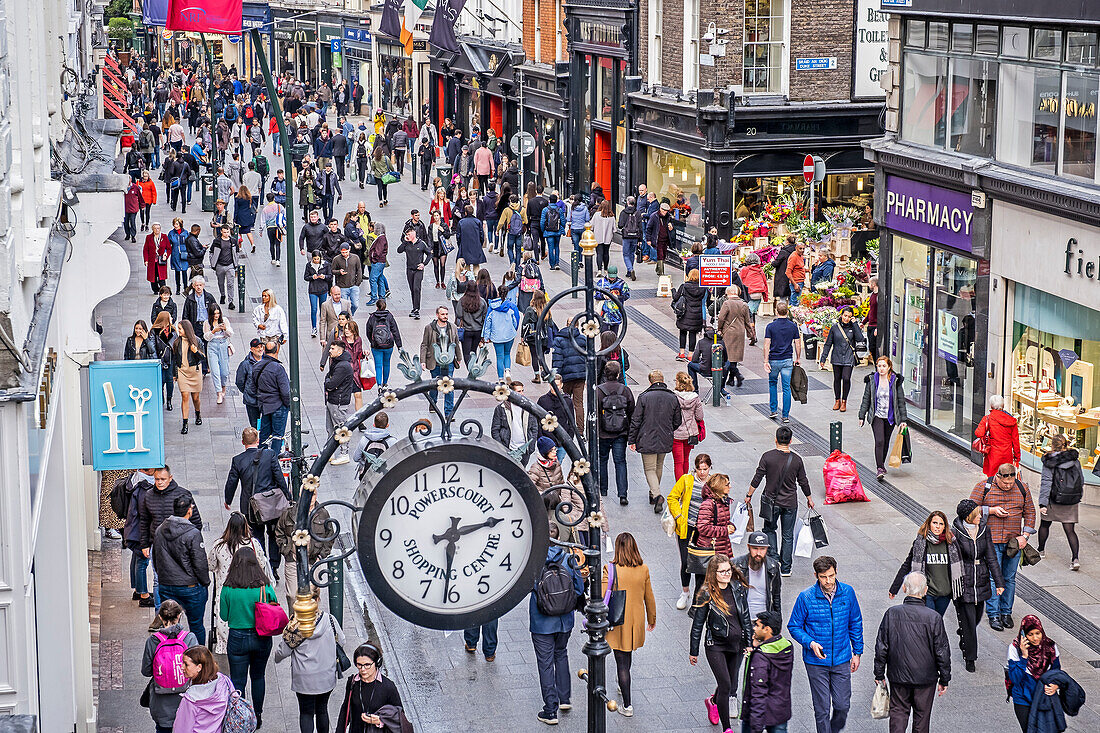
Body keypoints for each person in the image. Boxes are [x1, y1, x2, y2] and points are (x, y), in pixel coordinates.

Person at [787, 556, 864, 733]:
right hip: (816, 662)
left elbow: (855, 622)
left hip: (842, 657)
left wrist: (857, 652)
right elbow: (794, 626)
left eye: (831, 576)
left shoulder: (847, 592)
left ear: (836, 572)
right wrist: (810, 643)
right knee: (821, 708)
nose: (828, 581)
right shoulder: (805, 597)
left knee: (842, 704)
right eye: (823, 577)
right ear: (816, 575)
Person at [873, 572, 951, 733]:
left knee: (898, 714)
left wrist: (879, 674)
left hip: (898, 675)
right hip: (925, 677)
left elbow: (882, 647)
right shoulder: (934, 617)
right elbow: (942, 652)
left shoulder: (892, 614)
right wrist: (944, 678)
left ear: (904, 588)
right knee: (922, 718)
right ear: (925, 591)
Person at [689, 553, 751, 733]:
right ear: (713, 573)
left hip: (737, 645)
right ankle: (727, 729)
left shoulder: (737, 587)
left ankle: (713, 702)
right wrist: (694, 651)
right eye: (722, 572)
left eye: (728, 570)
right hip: (715, 644)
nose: (727, 574)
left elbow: (745, 617)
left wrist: (748, 642)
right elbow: (697, 625)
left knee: (731, 683)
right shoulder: (706, 593)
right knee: (725, 685)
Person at [969, 463, 1036, 631]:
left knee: (1010, 578)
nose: (1008, 486)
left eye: (1011, 483)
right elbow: (970, 510)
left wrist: (1025, 536)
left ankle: (1006, 612)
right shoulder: (984, 486)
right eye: (1005, 483)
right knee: (993, 577)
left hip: (1014, 542)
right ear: (998, 477)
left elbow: (1030, 512)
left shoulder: (1022, 488)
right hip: (992, 542)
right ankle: (994, 614)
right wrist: (991, 510)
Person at [218, 546, 278, 728]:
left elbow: (224, 616)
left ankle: (240, 717)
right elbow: (274, 603)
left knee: (238, 680)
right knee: (258, 677)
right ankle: (258, 715)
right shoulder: (264, 586)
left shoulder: (228, 588)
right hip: (261, 637)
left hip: (237, 637)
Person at [530, 535, 586, 726]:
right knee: (561, 655)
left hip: (542, 622)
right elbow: (579, 589)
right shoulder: (569, 558)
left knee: (545, 664)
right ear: (560, 539)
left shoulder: (534, 560)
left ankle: (550, 710)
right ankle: (564, 699)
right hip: (564, 621)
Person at [274, 586, 346, 733]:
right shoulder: (330, 620)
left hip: (304, 679)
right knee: (322, 710)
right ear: (317, 600)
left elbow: (283, 651)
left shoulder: (295, 625)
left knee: (306, 713)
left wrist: (276, 657)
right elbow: (342, 640)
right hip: (326, 676)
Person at [600, 532, 656, 717]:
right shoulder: (644, 569)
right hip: (636, 621)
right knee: (627, 656)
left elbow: (601, 596)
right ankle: (622, 684)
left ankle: (628, 705)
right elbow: (649, 597)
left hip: (618, 622)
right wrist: (652, 619)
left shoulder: (611, 569)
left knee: (621, 663)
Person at [746, 426, 813, 577]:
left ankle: (774, 560)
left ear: (775, 439)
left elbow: (758, 477)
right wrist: (809, 498)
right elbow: (803, 481)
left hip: (771, 502)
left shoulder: (767, 457)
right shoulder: (797, 460)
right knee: (788, 535)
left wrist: (749, 494)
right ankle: (786, 568)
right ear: (790, 441)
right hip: (790, 503)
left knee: (769, 530)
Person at [224, 426, 291, 572]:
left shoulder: (238, 460)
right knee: (273, 535)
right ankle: (274, 566)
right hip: (271, 504)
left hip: (251, 507)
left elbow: (231, 482)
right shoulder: (270, 455)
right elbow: (279, 477)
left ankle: (262, 564)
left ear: (243, 442)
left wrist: (227, 500)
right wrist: (287, 496)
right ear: (258, 440)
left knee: (257, 536)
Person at [952, 498, 1004, 673]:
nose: (980, 516)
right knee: (968, 619)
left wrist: (999, 582)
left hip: (980, 578)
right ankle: (970, 657)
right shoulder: (955, 533)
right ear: (968, 516)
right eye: (976, 514)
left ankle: (964, 634)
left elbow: (991, 557)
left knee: (976, 618)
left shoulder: (984, 530)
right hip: (964, 580)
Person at [209, 511, 272, 656]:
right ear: (245, 527)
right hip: (249, 588)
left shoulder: (218, 545)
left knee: (223, 616)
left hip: (225, 589)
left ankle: (225, 643)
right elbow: (262, 564)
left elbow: (211, 566)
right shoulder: (253, 544)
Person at [152, 495, 211, 645]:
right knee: (196, 624)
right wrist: (205, 582)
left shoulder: (160, 530)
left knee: (169, 625)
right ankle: (198, 658)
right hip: (190, 587)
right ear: (189, 510)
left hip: (166, 584)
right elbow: (200, 562)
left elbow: (156, 557)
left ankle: (171, 653)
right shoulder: (193, 533)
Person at [889, 511, 961, 619]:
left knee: (937, 621)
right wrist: (894, 588)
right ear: (929, 524)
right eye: (935, 523)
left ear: (945, 526)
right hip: (928, 593)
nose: (937, 527)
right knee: (929, 620)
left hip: (945, 594)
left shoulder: (951, 542)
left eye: (941, 524)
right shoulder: (920, 543)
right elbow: (907, 564)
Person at [628, 369, 683, 511]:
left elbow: (636, 420)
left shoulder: (644, 397)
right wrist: (669, 429)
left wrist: (632, 439)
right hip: (665, 437)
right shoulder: (672, 397)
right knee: (659, 465)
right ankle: (653, 494)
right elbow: (678, 420)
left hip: (647, 437)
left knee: (650, 468)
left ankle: (657, 494)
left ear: (650, 381)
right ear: (663, 380)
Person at [140, 600, 198, 733]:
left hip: (161, 704)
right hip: (186, 701)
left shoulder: (153, 641)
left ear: (160, 617)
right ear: (179, 615)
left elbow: (146, 671)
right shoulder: (190, 638)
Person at [274, 490, 335, 608]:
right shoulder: (290, 513)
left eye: (314, 494)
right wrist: (286, 549)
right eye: (308, 494)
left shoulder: (322, 513)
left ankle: (314, 623)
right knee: (293, 595)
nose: (311, 498)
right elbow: (279, 531)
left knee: (312, 595)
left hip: (313, 560)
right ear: (301, 495)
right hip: (293, 559)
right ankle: (295, 623)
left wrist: (321, 555)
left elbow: (330, 535)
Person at [667, 453, 712, 609]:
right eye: (699, 469)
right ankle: (685, 592)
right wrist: (679, 516)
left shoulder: (714, 483)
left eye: (705, 469)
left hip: (704, 531)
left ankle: (698, 597)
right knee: (686, 562)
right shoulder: (687, 480)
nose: (702, 472)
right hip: (686, 528)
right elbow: (672, 497)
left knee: (701, 564)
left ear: (710, 468)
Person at [740, 610, 795, 733]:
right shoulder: (787, 647)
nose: (754, 628)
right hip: (781, 712)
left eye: (758, 625)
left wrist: (756, 726)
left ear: (767, 629)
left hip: (759, 716)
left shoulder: (761, 657)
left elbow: (758, 692)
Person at [1006, 615, 1061, 732]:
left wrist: (1056, 686)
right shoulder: (1014, 648)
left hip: (1044, 697)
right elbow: (1015, 678)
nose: (1035, 638)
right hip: (1023, 699)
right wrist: (1024, 656)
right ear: (1024, 635)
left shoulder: (1050, 647)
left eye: (1038, 633)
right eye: (1030, 634)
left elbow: (1057, 672)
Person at [1037, 433, 1083, 570]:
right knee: (1070, 530)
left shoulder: (1049, 460)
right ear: (1066, 444)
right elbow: (1081, 479)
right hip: (1070, 499)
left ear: (1052, 445)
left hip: (1053, 498)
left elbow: (1046, 482)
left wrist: (1042, 503)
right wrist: (1075, 496)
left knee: (1045, 525)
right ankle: (1075, 559)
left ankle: (1041, 550)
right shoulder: (1075, 459)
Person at [858, 356, 908, 480]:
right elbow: (866, 399)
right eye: (879, 366)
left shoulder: (895, 381)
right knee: (879, 441)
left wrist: (903, 420)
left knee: (885, 442)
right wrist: (861, 415)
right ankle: (879, 468)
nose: (881, 369)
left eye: (884, 366)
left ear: (889, 367)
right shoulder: (872, 380)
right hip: (877, 415)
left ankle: (882, 464)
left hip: (890, 417)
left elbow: (901, 402)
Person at [335, 644, 405, 732]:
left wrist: (380, 720)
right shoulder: (352, 683)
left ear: (377, 663)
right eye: (359, 665)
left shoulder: (388, 687)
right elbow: (346, 709)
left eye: (367, 665)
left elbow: (400, 717)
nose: (363, 669)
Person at [596, 361, 634, 503]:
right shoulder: (625, 390)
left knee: (602, 460)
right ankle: (622, 494)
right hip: (621, 432)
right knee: (620, 462)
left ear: (605, 374)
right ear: (618, 374)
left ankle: (603, 489)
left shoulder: (599, 390)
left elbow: (595, 413)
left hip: (603, 432)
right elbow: (632, 412)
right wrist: (631, 434)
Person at [173, 646, 235, 731]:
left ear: (199, 667)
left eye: (186, 664)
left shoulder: (191, 700)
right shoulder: (224, 681)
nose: (182, 667)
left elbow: (182, 729)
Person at [818, 306, 865, 412]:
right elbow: (828, 344)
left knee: (846, 378)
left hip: (849, 357)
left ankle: (844, 401)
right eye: (845, 316)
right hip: (837, 357)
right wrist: (823, 358)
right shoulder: (835, 327)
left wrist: (855, 324)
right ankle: (837, 400)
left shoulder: (853, 327)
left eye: (849, 316)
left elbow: (860, 339)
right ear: (841, 315)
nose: (846, 318)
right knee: (837, 379)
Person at [420, 304, 462, 418]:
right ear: (437, 315)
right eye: (443, 314)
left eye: (446, 314)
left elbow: (456, 342)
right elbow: (424, 344)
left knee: (449, 385)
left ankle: (449, 413)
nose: (445, 316)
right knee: (435, 385)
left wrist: (459, 357)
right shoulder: (429, 328)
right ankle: (432, 403)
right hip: (435, 361)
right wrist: (422, 360)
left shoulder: (452, 327)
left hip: (449, 361)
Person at [763, 301, 801, 423]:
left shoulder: (770, 327)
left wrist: (765, 360)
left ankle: (773, 410)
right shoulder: (793, 326)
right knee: (786, 388)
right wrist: (798, 358)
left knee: (772, 384)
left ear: (776, 311)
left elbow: (766, 344)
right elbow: (797, 343)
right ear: (787, 312)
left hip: (774, 359)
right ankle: (785, 415)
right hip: (787, 360)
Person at [253, 340, 292, 453]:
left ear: (264, 350)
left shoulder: (257, 366)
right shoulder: (278, 368)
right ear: (277, 350)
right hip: (278, 406)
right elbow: (285, 392)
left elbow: (252, 386)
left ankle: (261, 457)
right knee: (277, 436)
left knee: (264, 435)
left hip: (265, 406)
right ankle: (273, 460)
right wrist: (288, 405)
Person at [734, 532, 783, 620]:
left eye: (762, 549)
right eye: (755, 548)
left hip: (764, 621)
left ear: (767, 549)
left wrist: (777, 620)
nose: (758, 553)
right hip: (742, 619)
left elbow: (776, 596)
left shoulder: (773, 566)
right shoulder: (736, 565)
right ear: (748, 547)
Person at [170, 320, 206, 434]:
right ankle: (185, 424)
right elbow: (175, 360)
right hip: (182, 372)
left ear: (186, 329)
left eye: (180, 328)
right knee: (185, 396)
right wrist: (174, 375)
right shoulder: (176, 342)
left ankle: (198, 413)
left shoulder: (197, 340)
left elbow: (203, 358)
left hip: (194, 372)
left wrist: (196, 352)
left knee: (195, 398)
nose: (178, 330)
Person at [324, 340, 357, 465]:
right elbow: (329, 378)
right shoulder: (337, 363)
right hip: (333, 400)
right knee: (331, 428)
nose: (330, 350)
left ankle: (344, 454)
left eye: (332, 348)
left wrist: (328, 382)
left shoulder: (342, 366)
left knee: (341, 429)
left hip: (338, 401)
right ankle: (329, 452)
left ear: (339, 351)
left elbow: (331, 383)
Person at [491, 381, 537, 464]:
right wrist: (502, 447)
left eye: (523, 390)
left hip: (524, 449)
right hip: (508, 449)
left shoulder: (528, 407)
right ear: (512, 393)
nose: (522, 394)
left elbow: (534, 428)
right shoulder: (501, 408)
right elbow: (495, 430)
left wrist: (531, 446)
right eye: (519, 391)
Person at [974, 395, 1022, 476]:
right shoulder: (1011, 420)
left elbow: (978, 433)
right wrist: (1017, 457)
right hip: (1007, 454)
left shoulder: (988, 419)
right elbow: (1015, 441)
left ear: (991, 406)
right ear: (1003, 405)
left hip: (993, 453)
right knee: (1006, 476)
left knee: (992, 477)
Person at [716, 285, 753, 388]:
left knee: (728, 356)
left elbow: (721, 318)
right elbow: (747, 321)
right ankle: (731, 380)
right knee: (735, 356)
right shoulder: (744, 304)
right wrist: (750, 334)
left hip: (729, 333)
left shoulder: (727, 303)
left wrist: (719, 329)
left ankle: (737, 375)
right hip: (740, 332)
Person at [672, 371, 705, 480]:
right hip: (690, 433)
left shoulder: (673, 397)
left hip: (676, 433)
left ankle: (679, 488)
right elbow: (699, 416)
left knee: (678, 462)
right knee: (685, 460)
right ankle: (685, 485)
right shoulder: (695, 398)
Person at [364, 299, 401, 392]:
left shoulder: (372, 317)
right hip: (388, 345)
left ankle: (379, 385)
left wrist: (372, 341)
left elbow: (368, 331)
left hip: (376, 346)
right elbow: (395, 331)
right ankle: (385, 383)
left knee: (378, 365)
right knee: (386, 364)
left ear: (377, 306)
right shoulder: (389, 316)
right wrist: (399, 345)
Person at [484, 289, 521, 380]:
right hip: (509, 334)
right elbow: (515, 320)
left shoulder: (492, 307)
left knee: (499, 357)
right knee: (507, 353)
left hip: (497, 336)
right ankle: (507, 371)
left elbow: (488, 323)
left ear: (498, 293)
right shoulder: (510, 306)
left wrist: (486, 337)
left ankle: (501, 378)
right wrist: (513, 329)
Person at [397, 225, 432, 318]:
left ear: (414, 233)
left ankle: (417, 309)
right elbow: (399, 250)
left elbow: (429, 254)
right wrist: (405, 241)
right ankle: (414, 307)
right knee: (412, 289)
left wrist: (424, 264)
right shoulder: (407, 244)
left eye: (409, 234)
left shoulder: (421, 244)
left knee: (417, 288)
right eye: (406, 234)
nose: (407, 235)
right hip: (409, 269)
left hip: (418, 270)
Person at [674, 270, 708, 361]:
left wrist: (673, 290)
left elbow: (676, 297)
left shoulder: (684, 286)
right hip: (696, 315)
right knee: (692, 334)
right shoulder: (703, 288)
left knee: (683, 332)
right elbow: (707, 300)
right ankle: (690, 354)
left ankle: (681, 353)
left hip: (685, 313)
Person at [202, 305, 233, 404]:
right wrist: (213, 331)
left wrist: (225, 329)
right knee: (215, 371)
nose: (216, 315)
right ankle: (219, 393)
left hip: (223, 345)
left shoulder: (224, 320)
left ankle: (223, 386)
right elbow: (206, 337)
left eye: (218, 313)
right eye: (214, 313)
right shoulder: (207, 323)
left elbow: (231, 333)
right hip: (212, 346)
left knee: (224, 372)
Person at [458, 281, 488, 365]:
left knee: (466, 353)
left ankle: (470, 369)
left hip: (466, 330)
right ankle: (474, 366)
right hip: (478, 330)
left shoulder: (462, 300)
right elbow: (485, 316)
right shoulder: (482, 301)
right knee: (473, 351)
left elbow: (459, 314)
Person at [304, 251, 333, 337]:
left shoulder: (326, 264)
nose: (316, 261)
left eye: (317, 259)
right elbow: (305, 277)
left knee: (322, 309)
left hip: (323, 289)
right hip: (313, 290)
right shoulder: (309, 265)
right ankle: (314, 327)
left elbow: (330, 276)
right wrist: (312, 277)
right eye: (314, 259)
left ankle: (322, 325)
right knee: (314, 309)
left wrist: (324, 277)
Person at [332, 242, 364, 316]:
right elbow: (332, 270)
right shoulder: (336, 259)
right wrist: (339, 272)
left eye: (346, 252)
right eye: (343, 252)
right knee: (344, 306)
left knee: (355, 304)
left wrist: (358, 283)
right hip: (342, 286)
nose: (345, 254)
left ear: (349, 250)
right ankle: (347, 317)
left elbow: (359, 269)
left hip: (353, 285)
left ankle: (350, 315)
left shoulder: (355, 258)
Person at [541, 192, 566, 270]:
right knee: (557, 247)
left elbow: (542, 222)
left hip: (548, 232)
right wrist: (562, 229)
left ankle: (552, 265)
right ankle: (557, 262)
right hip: (557, 231)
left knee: (550, 248)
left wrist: (543, 230)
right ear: (556, 201)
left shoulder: (545, 210)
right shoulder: (560, 210)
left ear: (549, 200)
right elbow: (563, 221)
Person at [144, 222, 171, 293]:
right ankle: (155, 289)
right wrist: (146, 260)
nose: (157, 230)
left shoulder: (164, 237)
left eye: (158, 228)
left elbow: (169, 248)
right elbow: (145, 249)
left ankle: (163, 290)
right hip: (152, 261)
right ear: (152, 229)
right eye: (155, 228)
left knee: (161, 277)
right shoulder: (149, 237)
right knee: (153, 276)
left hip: (161, 260)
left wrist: (166, 255)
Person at [784, 241, 806, 307]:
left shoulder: (800, 256)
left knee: (795, 301)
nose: (802, 250)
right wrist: (795, 284)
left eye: (803, 248)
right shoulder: (793, 257)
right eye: (800, 248)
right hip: (796, 282)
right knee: (794, 303)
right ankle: (791, 316)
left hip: (800, 281)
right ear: (796, 248)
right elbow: (788, 272)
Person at [864, 276, 880, 361]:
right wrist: (863, 322)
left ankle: (877, 367)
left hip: (875, 326)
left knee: (873, 347)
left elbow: (880, 313)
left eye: (870, 283)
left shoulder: (879, 296)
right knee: (871, 348)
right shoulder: (872, 295)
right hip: (870, 325)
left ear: (873, 284)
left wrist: (878, 327)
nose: (868, 285)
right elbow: (871, 310)